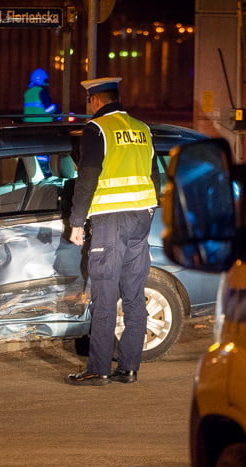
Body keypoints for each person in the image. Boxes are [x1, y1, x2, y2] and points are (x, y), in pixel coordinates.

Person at [66, 77, 156, 386]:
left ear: (95, 101)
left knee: (104, 296)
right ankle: (129, 368)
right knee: (134, 297)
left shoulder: (97, 129)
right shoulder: (142, 129)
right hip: (141, 220)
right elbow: (153, 176)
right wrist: (147, 212)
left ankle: (99, 368)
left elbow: (88, 176)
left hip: (110, 222)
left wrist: (77, 222)